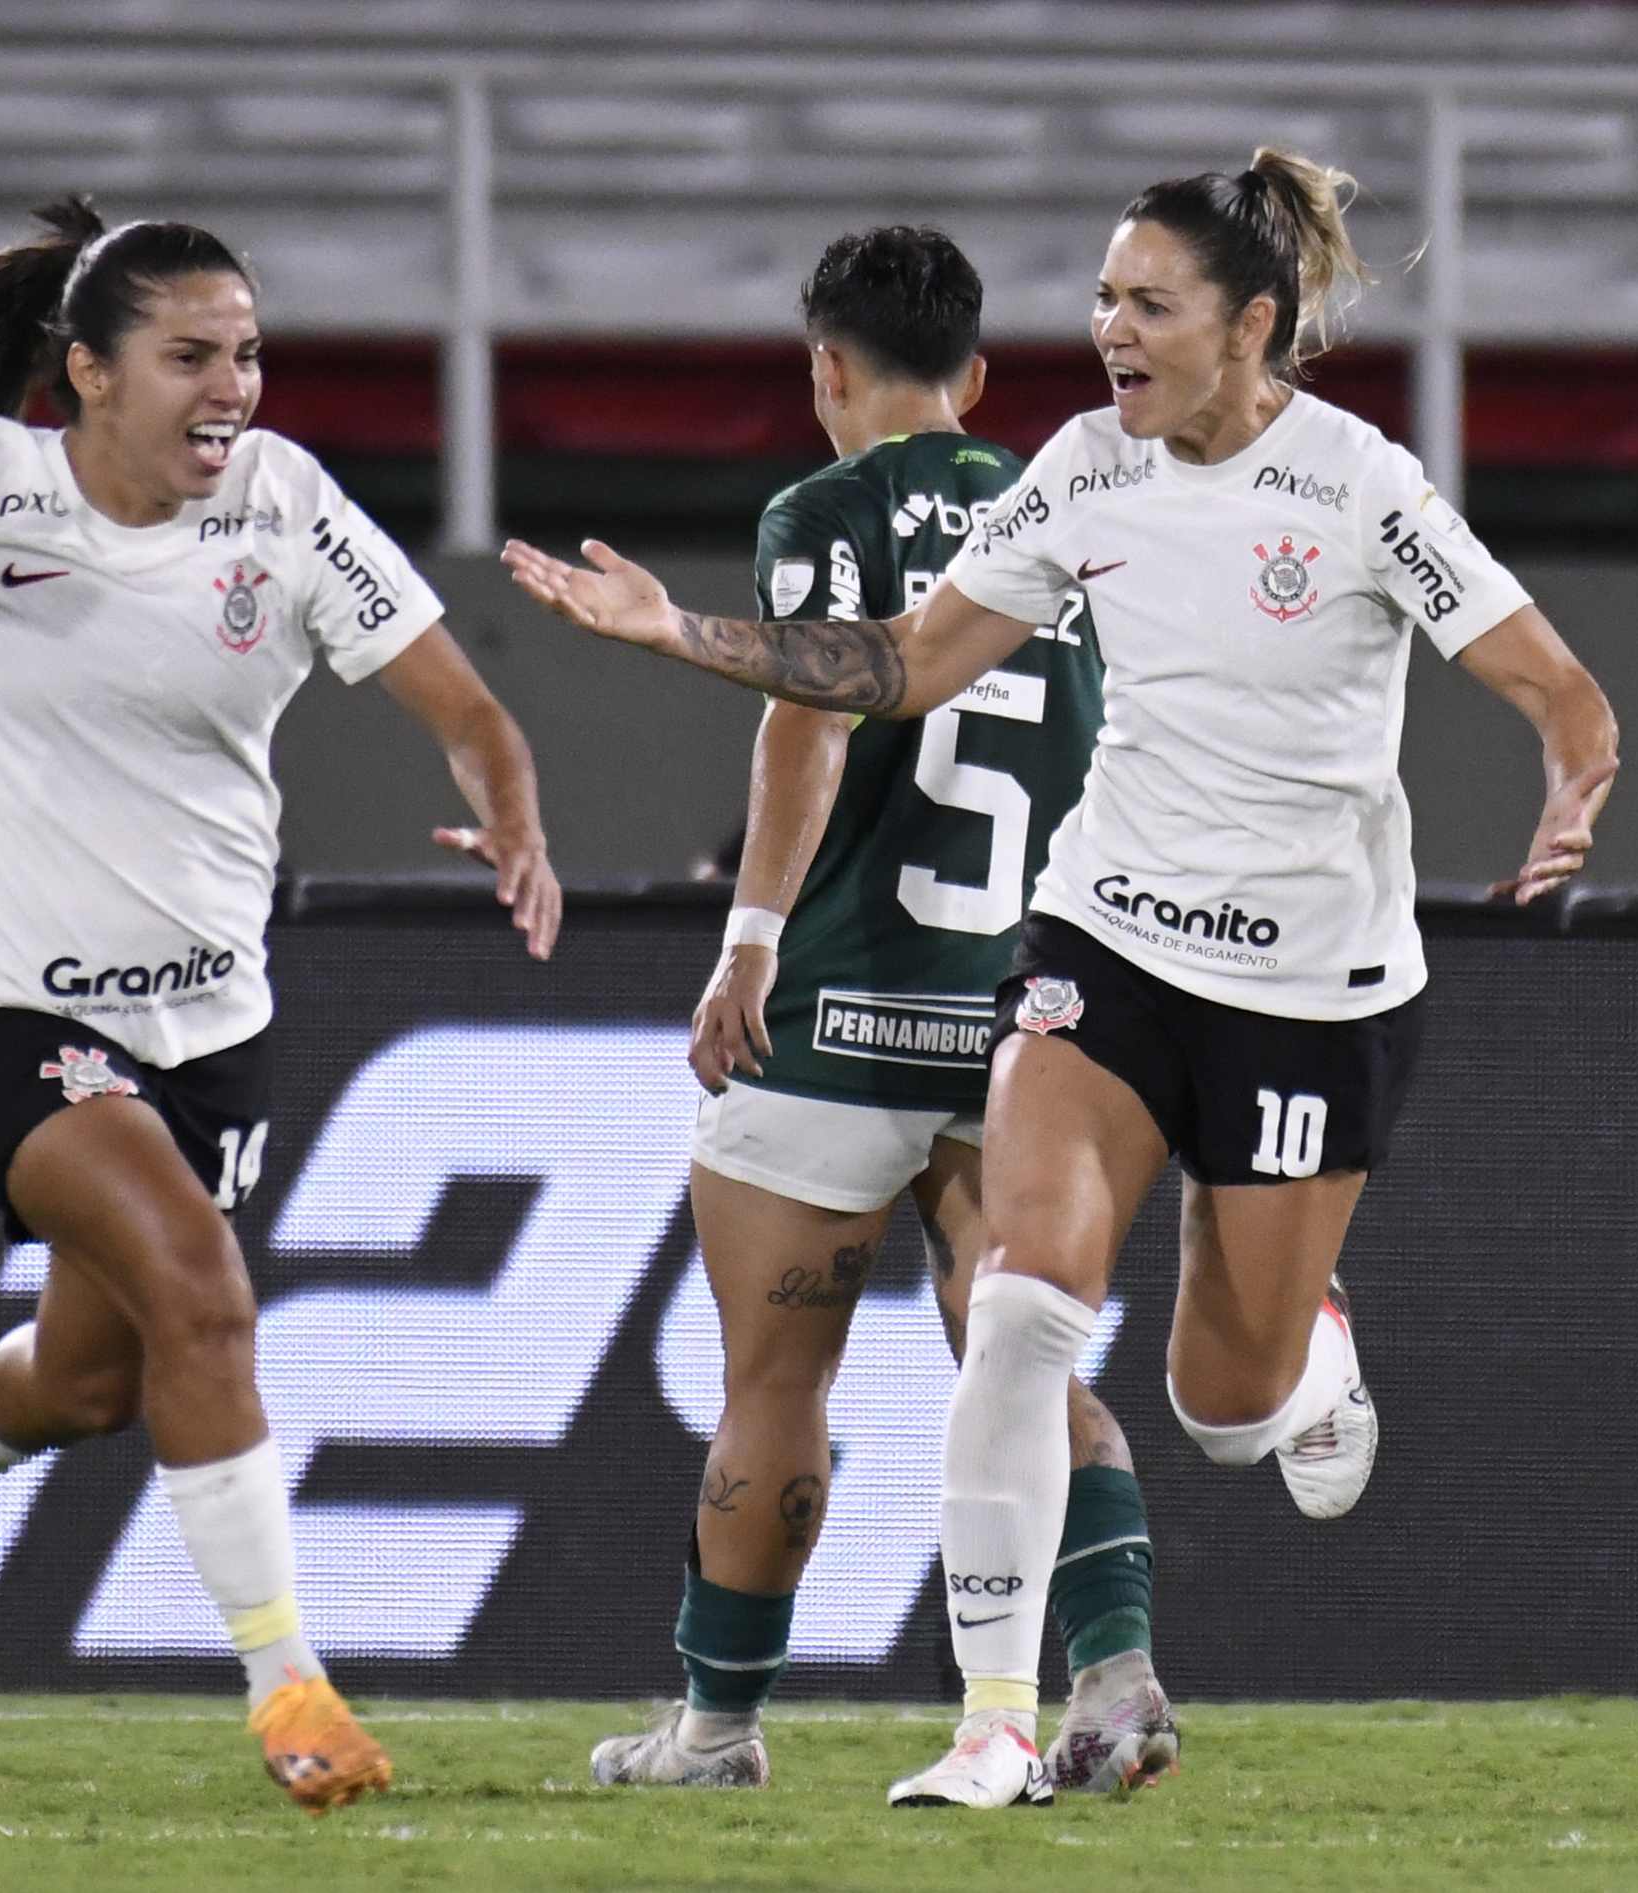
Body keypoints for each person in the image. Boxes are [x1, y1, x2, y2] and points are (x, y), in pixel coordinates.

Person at [507, 149, 1617, 1810]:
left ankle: (1300, 1346)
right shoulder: (1080, 471)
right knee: (1020, 1309)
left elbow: (1558, 684)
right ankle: (998, 1722)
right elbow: (897, 663)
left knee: (1220, 1408)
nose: (1108, 328)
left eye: (1146, 303)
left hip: (1314, 985)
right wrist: (686, 636)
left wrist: (1573, 781)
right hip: (1100, 944)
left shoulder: (1362, 485)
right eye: (1101, 297)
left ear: (1251, 325)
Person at [0, 197, 563, 1816]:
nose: (235, 387)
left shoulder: (284, 505)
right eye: (192, 355)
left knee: (95, 1377)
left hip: (209, 1029)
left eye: (250, 353)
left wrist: (512, 812)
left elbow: (469, 707)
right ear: (86, 373)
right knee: (202, 1291)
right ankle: (290, 1683)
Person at [587, 227, 1173, 1802]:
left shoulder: (826, 511)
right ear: (979, 379)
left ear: (827, 368)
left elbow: (814, 716)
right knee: (1030, 1355)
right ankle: (1112, 1674)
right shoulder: (1075, 508)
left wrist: (749, 941)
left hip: (840, 1012)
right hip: (1027, 1015)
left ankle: (715, 1732)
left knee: (779, 1387)